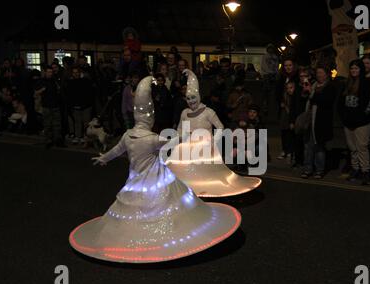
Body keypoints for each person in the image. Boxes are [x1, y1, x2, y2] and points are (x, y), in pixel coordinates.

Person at [69, 76, 242, 264]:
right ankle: (165, 234)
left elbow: (117, 150)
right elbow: (172, 142)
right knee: (164, 203)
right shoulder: (152, 138)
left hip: (136, 179)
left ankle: (129, 235)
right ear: (150, 118)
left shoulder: (128, 135)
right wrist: (184, 137)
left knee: (137, 206)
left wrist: (104, 158)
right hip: (155, 177)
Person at [166, 69, 261, 197]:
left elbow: (220, 127)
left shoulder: (208, 112)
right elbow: (181, 129)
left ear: (198, 96)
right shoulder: (185, 113)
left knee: (207, 177)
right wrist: (178, 140)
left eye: (193, 97)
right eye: (188, 98)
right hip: (188, 148)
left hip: (205, 149)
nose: (191, 101)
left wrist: (212, 141)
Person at [338, 59, 370, 185]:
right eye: (352, 68)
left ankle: (365, 171)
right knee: (352, 148)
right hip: (348, 122)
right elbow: (340, 103)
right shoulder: (347, 83)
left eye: (356, 68)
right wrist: (344, 117)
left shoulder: (367, 83)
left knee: (362, 147)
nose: (354, 71)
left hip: (362, 123)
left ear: (361, 70)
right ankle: (355, 169)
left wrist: (362, 118)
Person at [301, 66, 336, 179]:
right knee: (308, 146)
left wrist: (312, 93)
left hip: (321, 121)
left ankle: (319, 170)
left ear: (326, 74)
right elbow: (306, 99)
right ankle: (307, 169)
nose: (319, 75)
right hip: (310, 119)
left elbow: (325, 101)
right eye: (317, 73)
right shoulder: (314, 84)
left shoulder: (330, 86)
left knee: (319, 146)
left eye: (321, 73)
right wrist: (306, 91)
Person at [35, 66, 65, 148]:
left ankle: (57, 140)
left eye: (51, 72)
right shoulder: (41, 81)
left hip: (55, 105)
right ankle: (48, 140)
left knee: (57, 124)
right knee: (47, 124)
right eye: (48, 72)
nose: (50, 74)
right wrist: (41, 90)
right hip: (46, 106)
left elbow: (58, 90)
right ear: (45, 72)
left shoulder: (54, 80)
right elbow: (35, 93)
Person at [66, 67, 94, 144]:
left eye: (76, 72)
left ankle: (85, 136)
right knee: (77, 122)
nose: (75, 74)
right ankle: (78, 136)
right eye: (74, 72)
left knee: (86, 122)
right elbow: (69, 96)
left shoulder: (85, 81)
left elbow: (89, 93)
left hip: (86, 106)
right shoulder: (70, 83)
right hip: (76, 106)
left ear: (79, 73)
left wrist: (88, 104)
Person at [277, 81, 298, 163]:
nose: (289, 90)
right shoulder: (285, 97)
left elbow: (291, 111)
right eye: (287, 88)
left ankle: (290, 152)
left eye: (291, 88)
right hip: (284, 119)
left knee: (290, 136)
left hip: (291, 119)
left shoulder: (295, 98)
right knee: (284, 135)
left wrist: (285, 106)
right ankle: (284, 150)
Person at [260, 44, 279, 117]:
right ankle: (265, 108)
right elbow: (264, 66)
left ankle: (271, 108)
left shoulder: (275, 57)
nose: (271, 50)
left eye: (272, 48)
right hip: (267, 76)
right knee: (266, 93)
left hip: (273, 75)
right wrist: (270, 73)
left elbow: (277, 66)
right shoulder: (265, 56)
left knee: (273, 93)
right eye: (269, 48)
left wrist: (276, 73)